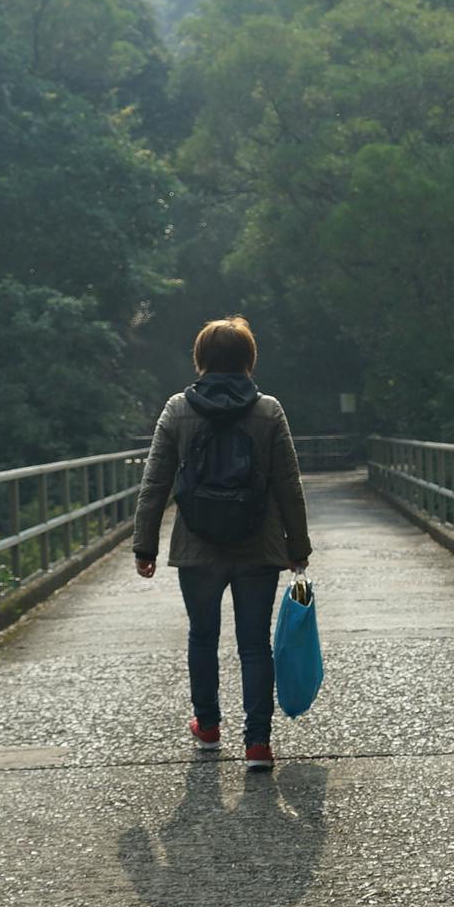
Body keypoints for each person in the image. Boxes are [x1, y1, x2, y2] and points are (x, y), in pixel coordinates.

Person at [133, 315, 312, 769]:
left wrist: (145, 544)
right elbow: (289, 485)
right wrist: (299, 547)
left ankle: (209, 726)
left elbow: (154, 481)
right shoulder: (269, 411)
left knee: (203, 636)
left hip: (197, 546)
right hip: (258, 545)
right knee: (254, 645)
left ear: (201, 360)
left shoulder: (178, 409)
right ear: (248, 360)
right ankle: (257, 744)